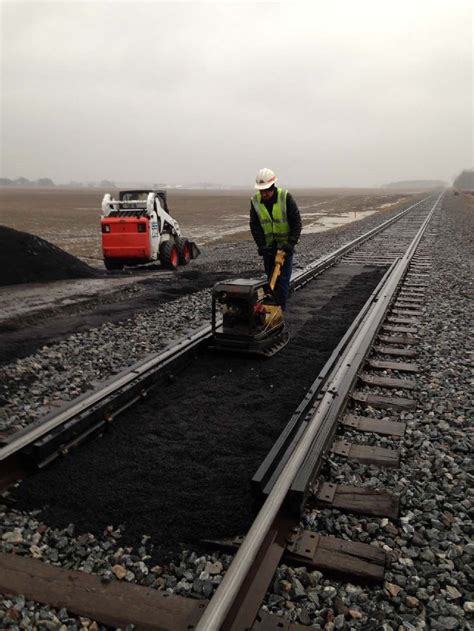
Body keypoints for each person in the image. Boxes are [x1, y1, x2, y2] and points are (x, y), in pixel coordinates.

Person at [249, 168, 302, 310]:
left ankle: (280, 312)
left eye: (266, 190)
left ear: (273, 187)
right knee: (270, 279)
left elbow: (296, 222)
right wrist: (261, 245)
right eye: (261, 190)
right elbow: (255, 226)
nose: (263, 194)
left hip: (285, 248)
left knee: (282, 281)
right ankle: (270, 309)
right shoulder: (255, 201)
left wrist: (291, 243)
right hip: (268, 248)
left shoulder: (285, 197)